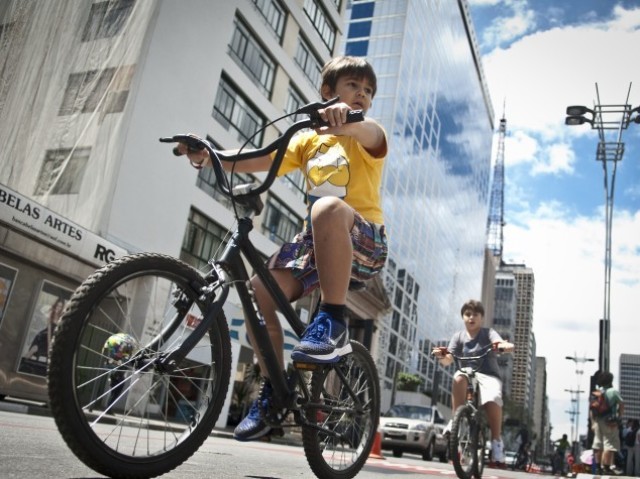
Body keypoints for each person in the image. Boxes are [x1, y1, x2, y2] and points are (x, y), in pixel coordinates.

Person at [179, 56, 388, 441]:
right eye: (352, 87)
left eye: (368, 91)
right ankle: (275, 389)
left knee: (324, 208)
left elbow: (372, 133)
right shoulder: (307, 140)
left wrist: (348, 116)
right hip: (318, 242)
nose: (362, 95)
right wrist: (211, 156)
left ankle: (333, 321)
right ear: (326, 93)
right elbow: (259, 159)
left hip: (364, 242)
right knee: (258, 292)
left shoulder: (366, 134)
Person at [432, 299, 514, 465]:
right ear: (463, 317)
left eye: (475, 314)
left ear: (481, 318)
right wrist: (440, 355)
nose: (471, 317)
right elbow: (448, 360)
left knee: (493, 397)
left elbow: (500, 343)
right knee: (458, 377)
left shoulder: (488, 333)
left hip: (488, 375)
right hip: (467, 373)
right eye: (467, 314)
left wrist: (504, 346)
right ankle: (455, 421)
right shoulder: (458, 337)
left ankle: (497, 441)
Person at [590, 371, 624, 475]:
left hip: (597, 421)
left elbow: (591, 409)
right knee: (609, 444)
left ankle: (598, 468)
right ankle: (606, 467)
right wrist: (619, 417)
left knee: (598, 444)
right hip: (610, 421)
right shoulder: (613, 391)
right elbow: (621, 404)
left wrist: (593, 423)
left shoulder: (597, 392)